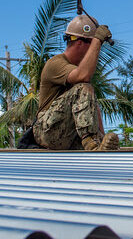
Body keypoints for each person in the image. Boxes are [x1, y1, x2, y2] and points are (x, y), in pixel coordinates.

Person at [31, 15, 119, 151]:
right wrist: (97, 40)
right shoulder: (55, 64)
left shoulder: (78, 69)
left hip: (69, 135)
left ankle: (95, 142)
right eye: (92, 45)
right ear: (80, 43)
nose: (96, 51)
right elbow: (82, 76)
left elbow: (92, 107)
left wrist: (103, 139)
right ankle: (90, 143)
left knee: (89, 97)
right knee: (84, 88)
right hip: (47, 132)